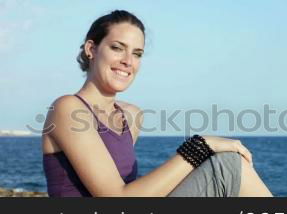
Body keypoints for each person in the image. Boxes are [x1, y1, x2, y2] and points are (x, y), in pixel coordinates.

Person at [42, 10, 272, 197]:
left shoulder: (131, 116)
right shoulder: (68, 108)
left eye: (137, 53)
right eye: (117, 48)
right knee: (227, 167)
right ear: (91, 49)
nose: (127, 61)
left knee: (229, 164)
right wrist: (200, 147)